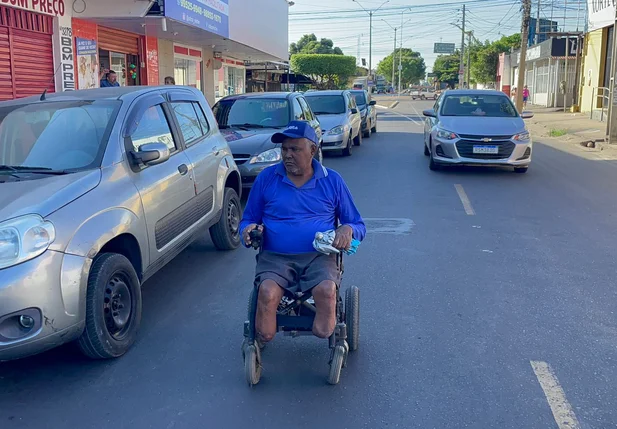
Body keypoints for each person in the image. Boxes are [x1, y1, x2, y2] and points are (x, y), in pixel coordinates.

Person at [239, 120, 366, 343]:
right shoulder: (267, 179)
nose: (287, 155)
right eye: (284, 149)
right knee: (267, 300)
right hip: (275, 257)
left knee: (326, 293)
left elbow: (357, 224)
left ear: (312, 150)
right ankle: (261, 335)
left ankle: (325, 327)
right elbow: (248, 219)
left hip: (319, 258)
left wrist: (347, 229)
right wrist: (248, 229)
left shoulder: (332, 181)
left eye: (295, 149)